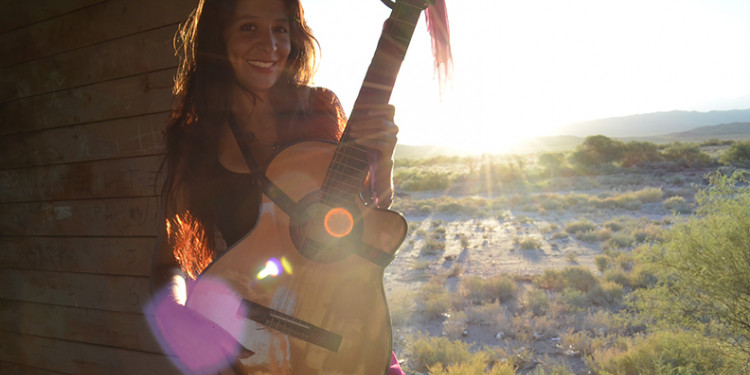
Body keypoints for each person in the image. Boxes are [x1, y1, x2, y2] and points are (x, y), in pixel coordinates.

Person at [146, 0, 403, 373]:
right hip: (257, 344)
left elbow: (364, 217)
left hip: (343, 330)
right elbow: (165, 266)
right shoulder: (197, 142)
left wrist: (384, 160)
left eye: (280, 29)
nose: (269, 46)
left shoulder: (320, 110)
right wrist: (188, 330)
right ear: (218, 38)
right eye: (248, 27)